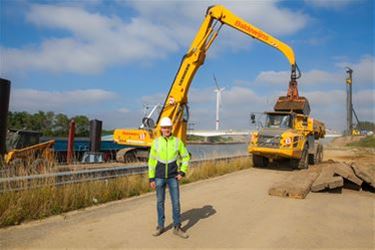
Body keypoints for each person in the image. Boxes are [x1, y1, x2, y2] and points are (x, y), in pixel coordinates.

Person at [148, 116, 190, 239]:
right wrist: (151, 178)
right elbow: (151, 161)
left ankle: (177, 227)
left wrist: (182, 172)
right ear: (161, 129)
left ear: (171, 128)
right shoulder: (155, 142)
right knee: (160, 202)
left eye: (168, 127)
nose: (166, 129)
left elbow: (186, 157)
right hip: (159, 177)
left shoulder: (177, 142)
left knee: (176, 203)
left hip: (173, 177)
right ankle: (160, 226)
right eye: (164, 127)